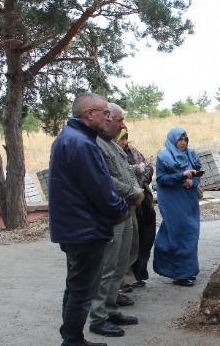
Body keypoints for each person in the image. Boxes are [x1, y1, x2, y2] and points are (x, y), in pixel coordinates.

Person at [49, 92, 129, 346]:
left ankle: (71, 336)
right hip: (83, 228)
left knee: (75, 286)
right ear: (89, 114)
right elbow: (99, 187)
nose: (109, 117)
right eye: (105, 112)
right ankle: (72, 340)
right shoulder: (81, 144)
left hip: (74, 227)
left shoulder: (71, 139)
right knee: (82, 290)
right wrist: (118, 210)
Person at [88, 103, 144, 338]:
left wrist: (136, 191)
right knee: (108, 267)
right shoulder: (95, 146)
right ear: (107, 119)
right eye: (119, 120)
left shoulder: (111, 144)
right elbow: (105, 180)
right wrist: (133, 193)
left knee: (120, 264)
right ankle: (98, 317)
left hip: (126, 210)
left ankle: (111, 309)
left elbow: (128, 173)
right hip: (112, 213)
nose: (122, 125)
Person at [153, 127, 202, 287]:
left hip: (189, 199)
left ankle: (187, 271)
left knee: (191, 233)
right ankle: (181, 274)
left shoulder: (191, 154)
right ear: (173, 140)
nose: (183, 143)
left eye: (185, 140)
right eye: (180, 140)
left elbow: (198, 175)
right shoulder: (164, 156)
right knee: (179, 234)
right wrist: (181, 176)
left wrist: (192, 182)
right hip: (172, 200)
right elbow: (161, 179)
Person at [116, 129, 156, 291]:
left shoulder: (133, 151)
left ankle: (139, 273)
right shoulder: (113, 154)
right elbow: (122, 173)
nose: (125, 141)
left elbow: (148, 167)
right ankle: (124, 279)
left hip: (143, 196)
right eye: (122, 138)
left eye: (126, 138)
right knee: (131, 238)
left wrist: (143, 174)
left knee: (147, 235)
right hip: (128, 199)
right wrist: (137, 170)